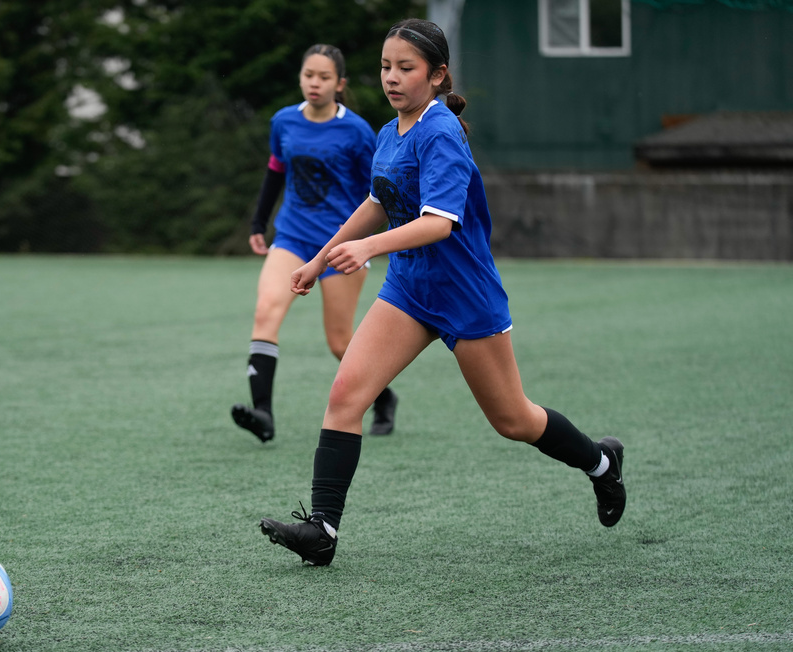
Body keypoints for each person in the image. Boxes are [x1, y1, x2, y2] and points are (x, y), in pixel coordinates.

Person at [259, 19, 626, 566]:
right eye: (386, 66)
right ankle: (324, 532)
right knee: (345, 396)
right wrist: (318, 259)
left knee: (514, 421)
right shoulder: (389, 133)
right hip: (409, 289)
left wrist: (368, 249)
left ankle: (600, 463)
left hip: (465, 296)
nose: (392, 77)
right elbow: (376, 202)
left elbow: (439, 222)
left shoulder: (441, 133)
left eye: (406, 68)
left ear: (436, 76)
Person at [232, 44, 398, 444]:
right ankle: (264, 415)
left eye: (324, 77)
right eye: (309, 75)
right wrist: (259, 221)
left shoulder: (357, 131)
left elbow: (376, 193)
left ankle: (384, 397)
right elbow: (275, 173)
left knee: (340, 343)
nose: (315, 83)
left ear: (339, 84)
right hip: (291, 236)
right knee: (265, 311)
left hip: (343, 243)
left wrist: (375, 240)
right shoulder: (283, 122)